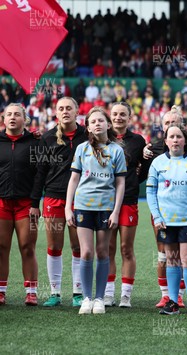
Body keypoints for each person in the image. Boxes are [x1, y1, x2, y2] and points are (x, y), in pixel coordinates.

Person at [65, 107, 126, 315]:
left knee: (102, 251)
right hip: (83, 206)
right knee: (86, 252)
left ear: (108, 125)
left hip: (106, 207)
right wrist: (68, 207)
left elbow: (120, 183)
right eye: (93, 121)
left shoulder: (117, 150)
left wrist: (116, 211)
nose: (97, 124)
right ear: (88, 126)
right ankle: (87, 298)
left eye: (101, 120)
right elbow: (74, 179)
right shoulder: (82, 148)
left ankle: (100, 298)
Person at [146, 123, 187, 315]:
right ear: (165, 141)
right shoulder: (158, 163)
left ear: (185, 140)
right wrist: (156, 216)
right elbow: (151, 191)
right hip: (166, 221)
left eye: (178, 136)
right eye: (171, 137)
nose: (175, 140)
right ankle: (173, 302)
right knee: (172, 260)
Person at [30, 96, 87, 308]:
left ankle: (77, 293)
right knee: (54, 246)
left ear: (76, 111)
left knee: (78, 246)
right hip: (53, 198)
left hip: (80, 199)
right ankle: (55, 293)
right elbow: (40, 173)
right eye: (61, 108)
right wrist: (35, 203)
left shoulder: (87, 136)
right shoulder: (47, 138)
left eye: (68, 108)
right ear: (56, 112)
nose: (65, 111)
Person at [103, 102, 149, 308]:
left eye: (123, 114)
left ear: (129, 118)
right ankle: (108, 294)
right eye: (115, 114)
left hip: (129, 199)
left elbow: (146, 167)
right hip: (105, 200)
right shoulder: (101, 137)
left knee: (126, 248)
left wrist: (132, 182)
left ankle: (126, 296)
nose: (119, 117)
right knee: (108, 248)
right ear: (109, 116)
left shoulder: (138, 140)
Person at [143, 107, 187, 308]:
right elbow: (141, 175)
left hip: (186, 211)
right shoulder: (152, 150)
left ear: (183, 127)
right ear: (162, 127)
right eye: (168, 123)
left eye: (175, 123)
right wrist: (142, 153)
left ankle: (179, 294)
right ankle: (166, 295)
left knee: (183, 254)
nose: (171, 126)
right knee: (164, 254)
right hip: (162, 212)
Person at [0, 104, 39, 306]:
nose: (13, 117)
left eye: (17, 114)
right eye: (9, 114)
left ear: (25, 119)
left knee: (27, 247)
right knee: (1, 247)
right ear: (3, 119)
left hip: (27, 204)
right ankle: (0, 291)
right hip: (1, 204)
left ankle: (31, 291)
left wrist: (35, 202)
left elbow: (40, 174)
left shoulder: (35, 142)